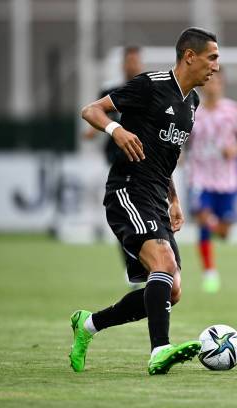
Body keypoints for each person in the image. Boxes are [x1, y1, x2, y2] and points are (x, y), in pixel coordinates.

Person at [70, 27, 220, 376]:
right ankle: (159, 352)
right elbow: (90, 110)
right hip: (128, 189)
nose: (215, 67)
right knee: (164, 266)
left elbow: (163, 157)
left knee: (173, 290)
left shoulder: (192, 103)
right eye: (212, 57)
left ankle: (88, 324)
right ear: (190, 56)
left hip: (156, 196)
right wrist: (116, 130)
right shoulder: (150, 84)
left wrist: (175, 199)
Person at [186, 68, 237, 293]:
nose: (212, 86)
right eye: (209, 81)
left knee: (223, 232)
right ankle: (209, 272)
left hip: (228, 180)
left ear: (222, 84)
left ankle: (214, 227)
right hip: (200, 178)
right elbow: (183, 141)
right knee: (203, 219)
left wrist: (234, 150)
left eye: (217, 82)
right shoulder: (192, 111)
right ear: (203, 84)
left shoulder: (234, 111)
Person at [83, 46, 144, 290]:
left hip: (143, 164)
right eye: (129, 61)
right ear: (123, 64)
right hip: (115, 164)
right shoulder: (110, 92)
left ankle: (148, 264)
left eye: (136, 61)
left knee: (145, 218)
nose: (133, 65)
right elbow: (96, 116)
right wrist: (91, 130)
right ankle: (132, 267)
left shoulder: (147, 89)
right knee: (122, 220)